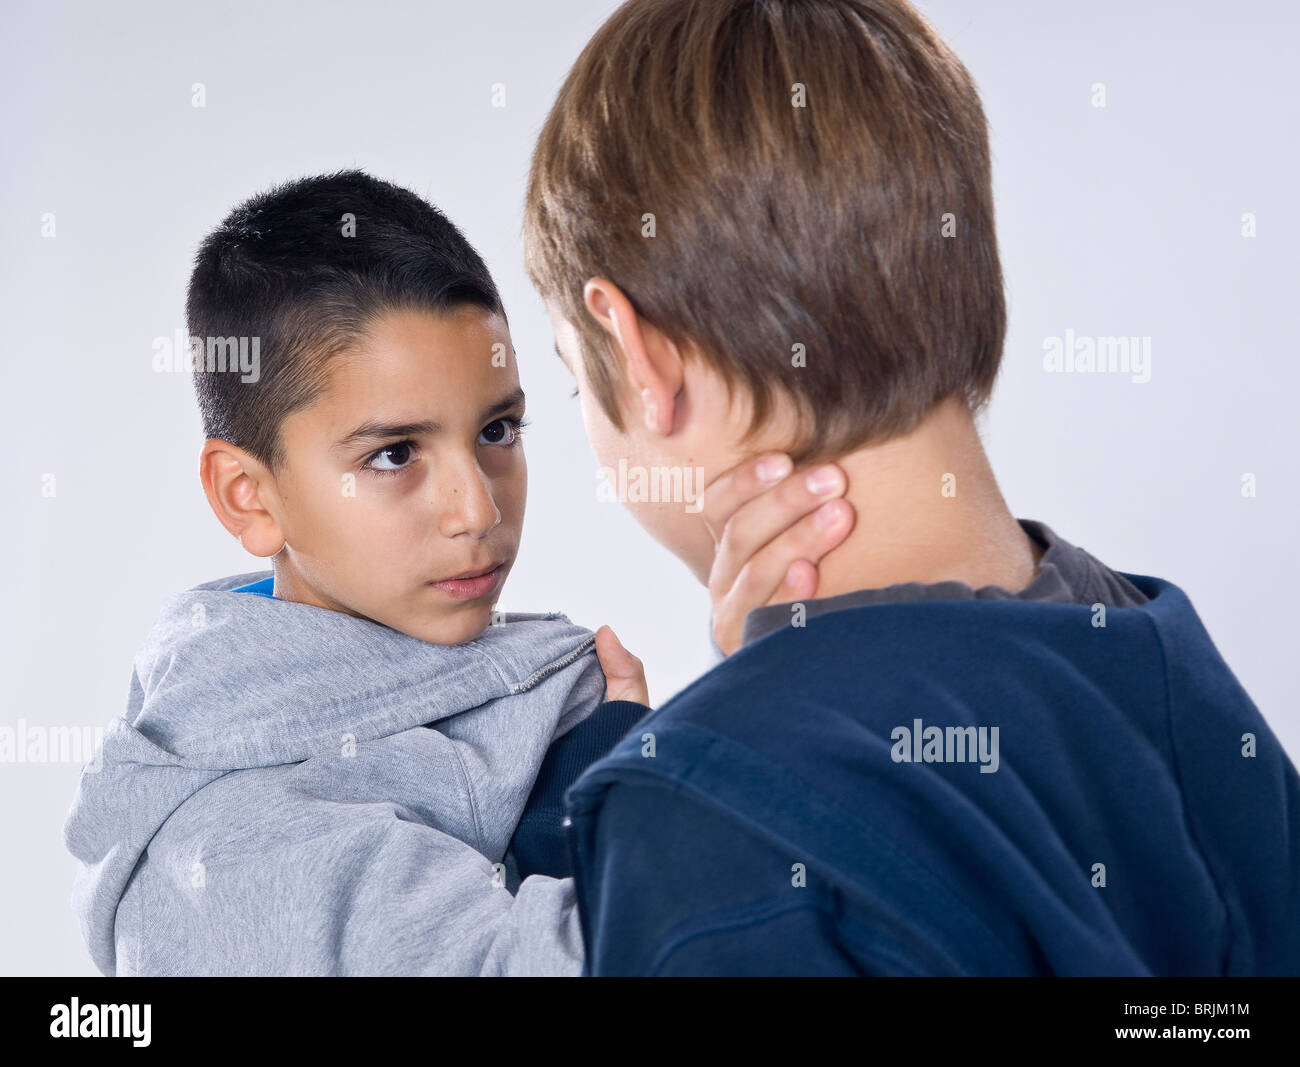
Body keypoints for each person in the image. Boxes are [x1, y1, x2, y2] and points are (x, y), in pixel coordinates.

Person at [522, 0, 1300, 975]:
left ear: (635, 350)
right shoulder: (1160, 653)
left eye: (567, 373)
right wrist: (760, 696)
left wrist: (723, 752)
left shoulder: (710, 823)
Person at [62, 170, 847, 975]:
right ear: (249, 496)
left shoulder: (532, 681)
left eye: (498, 429)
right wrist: (753, 702)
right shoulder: (238, 846)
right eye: (394, 454)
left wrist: (596, 780)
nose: (477, 508)